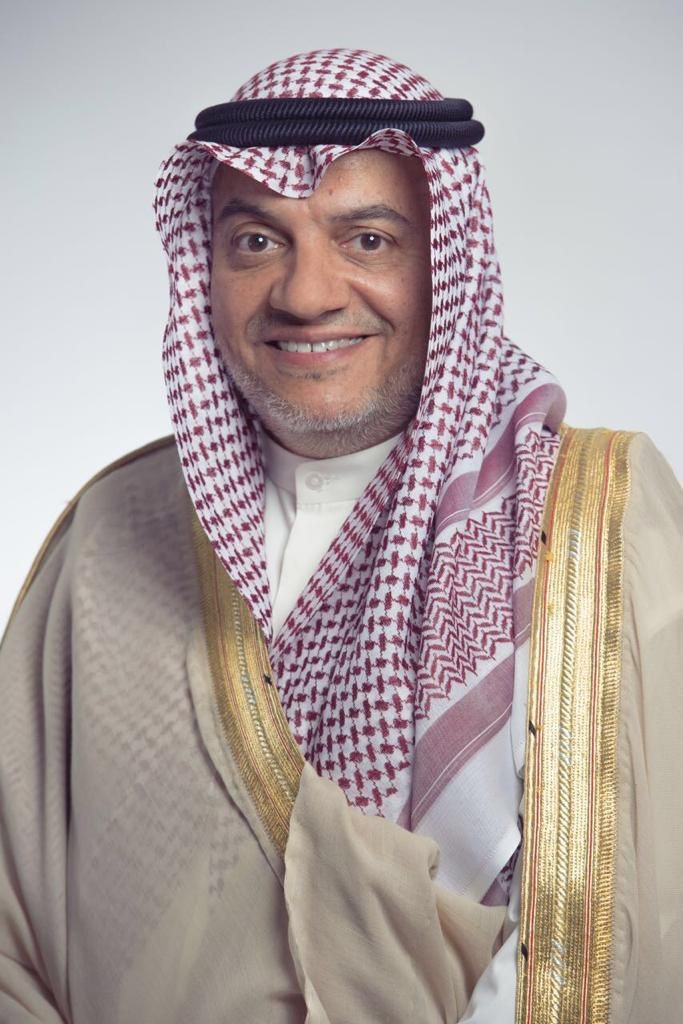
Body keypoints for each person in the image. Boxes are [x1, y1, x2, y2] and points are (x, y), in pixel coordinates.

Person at [1, 48, 681, 1024]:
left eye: (366, 240)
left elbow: (630, 929)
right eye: (255, 241)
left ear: (445, 262)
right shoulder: (112, 534)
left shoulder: (590, 520)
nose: (306, 294)